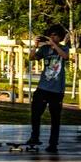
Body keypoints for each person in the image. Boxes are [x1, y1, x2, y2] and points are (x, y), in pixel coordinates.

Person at [26, 25, 70, 153]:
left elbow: (65, 56)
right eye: (50, 35)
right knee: (35, 112)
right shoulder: (44, 49)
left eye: (55, 35)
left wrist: (54, 45)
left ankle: (53, 144)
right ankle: (34, 137)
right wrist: (35, 45)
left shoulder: (63, 48)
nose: (52, 37)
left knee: (55, 118)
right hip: (43, 87)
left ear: (60, 37)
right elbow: (31, 58)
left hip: (57, 90)